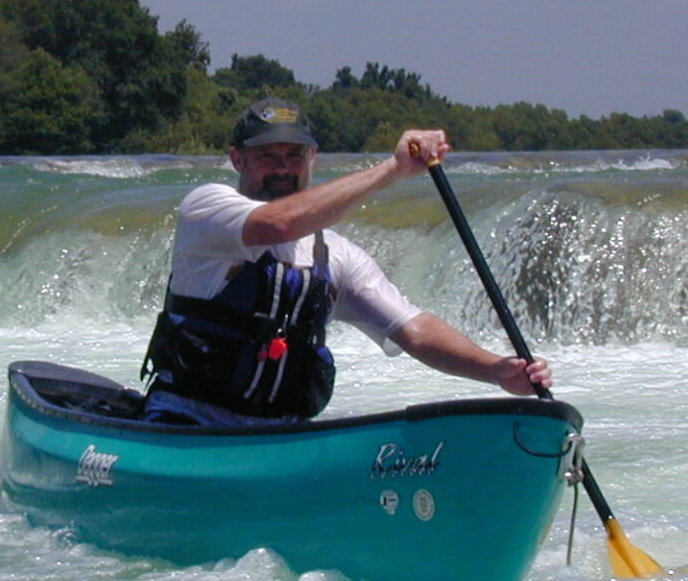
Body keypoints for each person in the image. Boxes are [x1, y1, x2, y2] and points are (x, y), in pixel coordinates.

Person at [140, 97, 552, 425]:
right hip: (186, 423)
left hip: (278, 434)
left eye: (294, 155)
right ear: (237, 159)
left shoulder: (337, 255)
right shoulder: (207, 209)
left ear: (312, 158)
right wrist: (392, 170)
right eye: (268, 155)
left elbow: (415, 330)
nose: (282, 168)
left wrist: (497, 370)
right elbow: (279, 224)